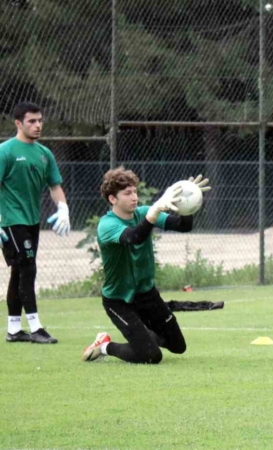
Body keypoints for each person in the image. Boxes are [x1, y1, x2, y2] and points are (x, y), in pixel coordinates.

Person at [80, 168, 211, 364]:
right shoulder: (107, 225)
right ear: (112, 199)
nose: (134, 197)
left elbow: (183, 226)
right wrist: (156, 209)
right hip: (119, 301)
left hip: (147, 295)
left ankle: (142, 337)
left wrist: (186, 203)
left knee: (177, 346)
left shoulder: (143, 212)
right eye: (127, 193)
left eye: (134, 191)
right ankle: (104, 346)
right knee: (151, 356)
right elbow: (134, 237)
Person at [2, 102, 70, 344]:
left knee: (19, 271)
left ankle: (13, 330)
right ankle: (36, 327)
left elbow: (55, 186)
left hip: (31, 221)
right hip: (10, 221)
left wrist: (63, 208)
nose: (38, 125)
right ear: (18, 123)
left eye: (40, 120)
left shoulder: (44, 153)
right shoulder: (5, 151)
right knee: (29, 269)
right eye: (32, 121)